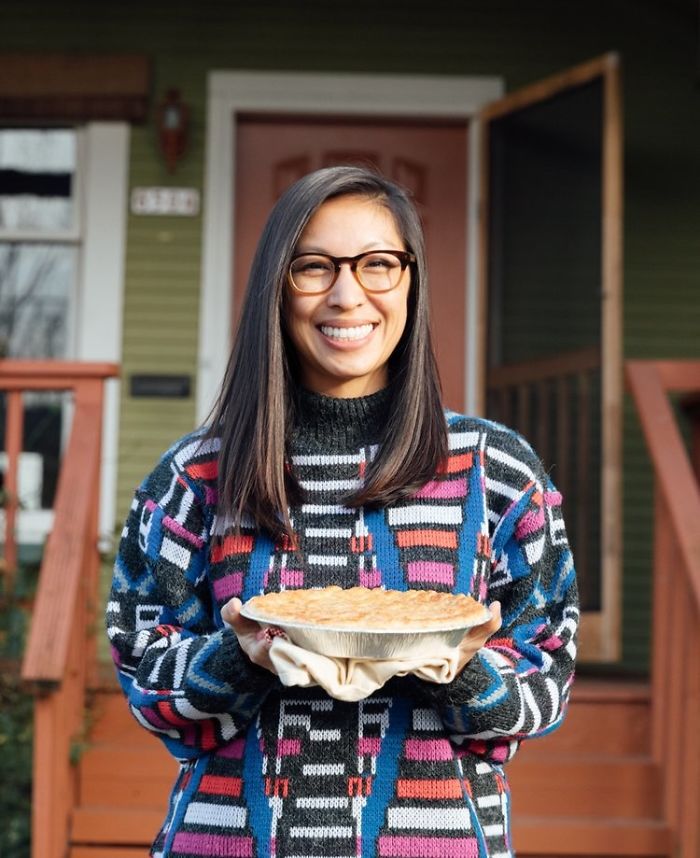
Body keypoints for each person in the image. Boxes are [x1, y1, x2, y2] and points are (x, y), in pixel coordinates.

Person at [107, 165, 578, 858]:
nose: (347, 294)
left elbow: (545, 684)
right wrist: (239, 657)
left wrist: (466, 668)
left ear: (411, 281)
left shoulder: (497, 470)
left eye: (378, 265)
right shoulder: (195, 476)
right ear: (277, 286)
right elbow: (150, 689)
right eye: (314, 267)